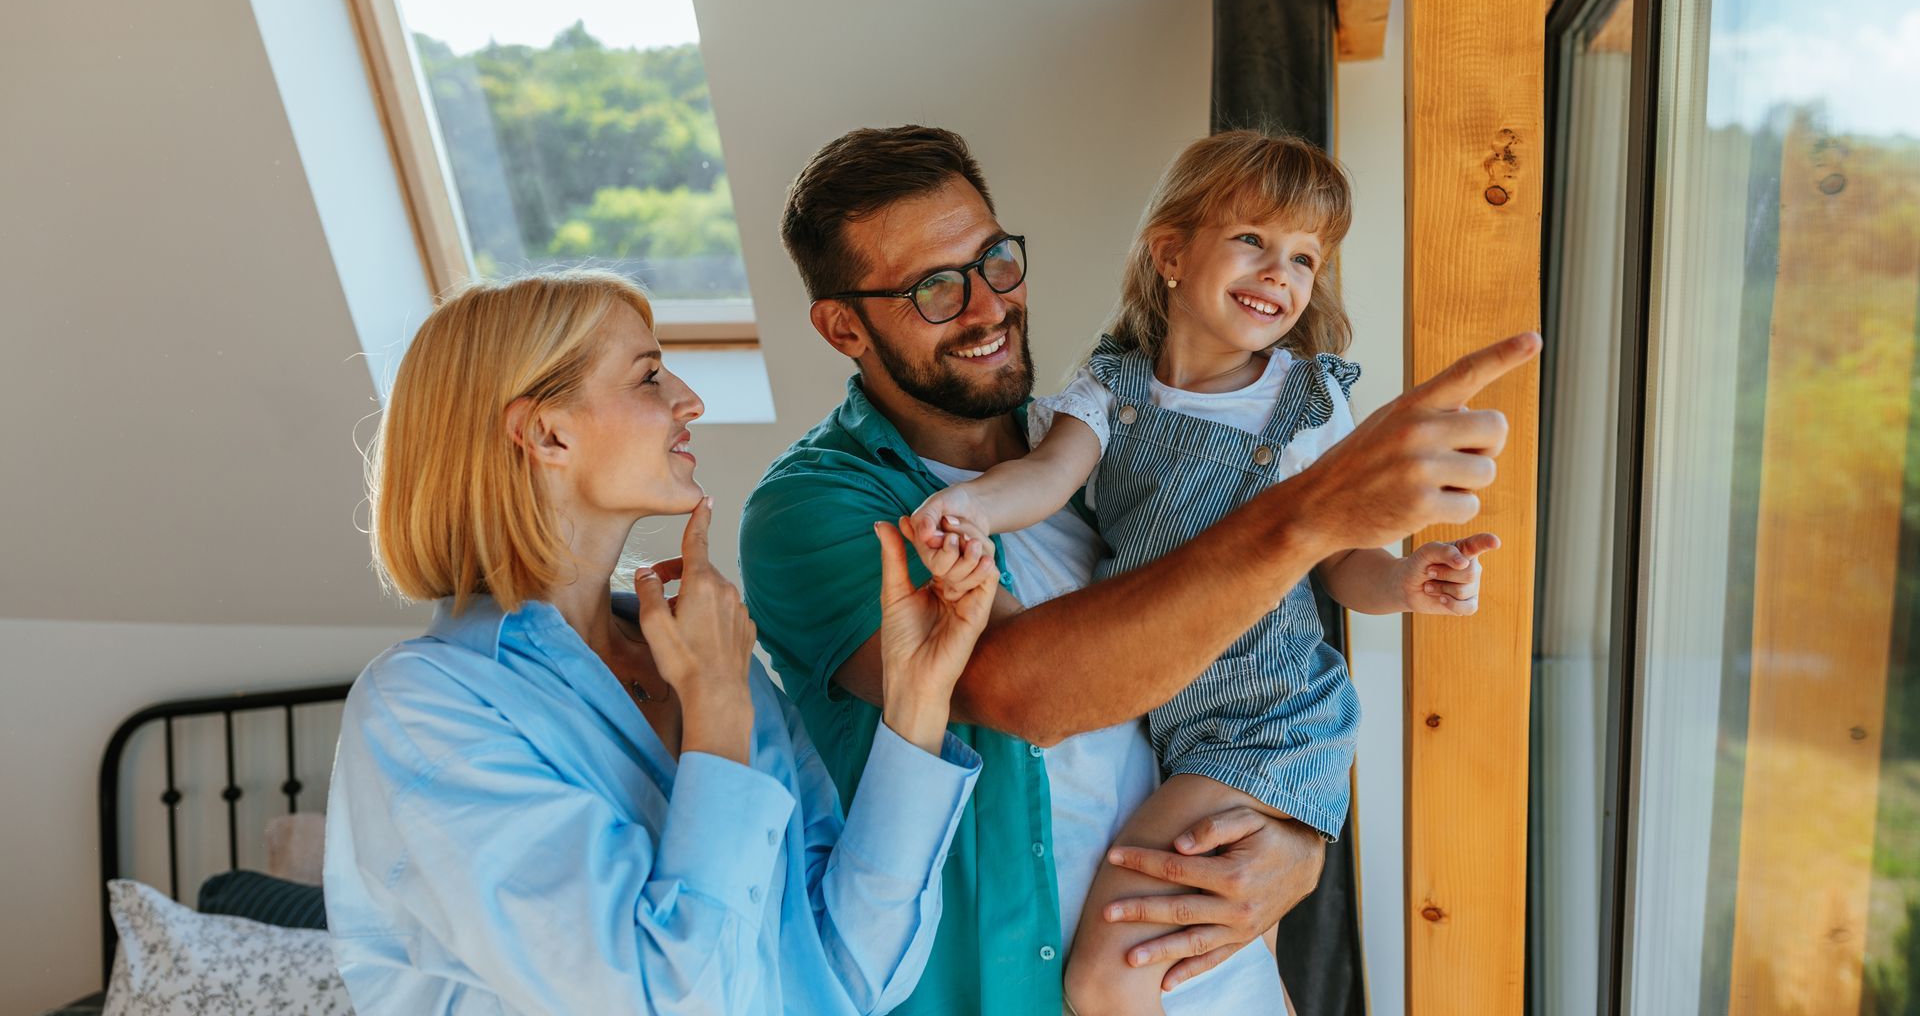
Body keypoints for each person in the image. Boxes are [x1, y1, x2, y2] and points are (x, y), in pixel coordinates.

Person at [740, 125, 1537, 1016]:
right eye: (935, 288)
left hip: (1208, 970)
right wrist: (1310, 513)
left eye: (996, 261)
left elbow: (1258, 655)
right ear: (843, 324)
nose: (986, 306)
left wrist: (1295, 833)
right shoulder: (815, 510)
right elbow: (1025, 691)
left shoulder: (1114, 455)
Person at [323, 271, 1000, 1015]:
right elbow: (664, 1001)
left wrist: (916, 699)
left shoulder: (705, 658)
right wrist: (714, 714)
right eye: (649, 377)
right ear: (547, 433)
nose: (691, 401)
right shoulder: (424, 707)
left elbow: (845, 973)